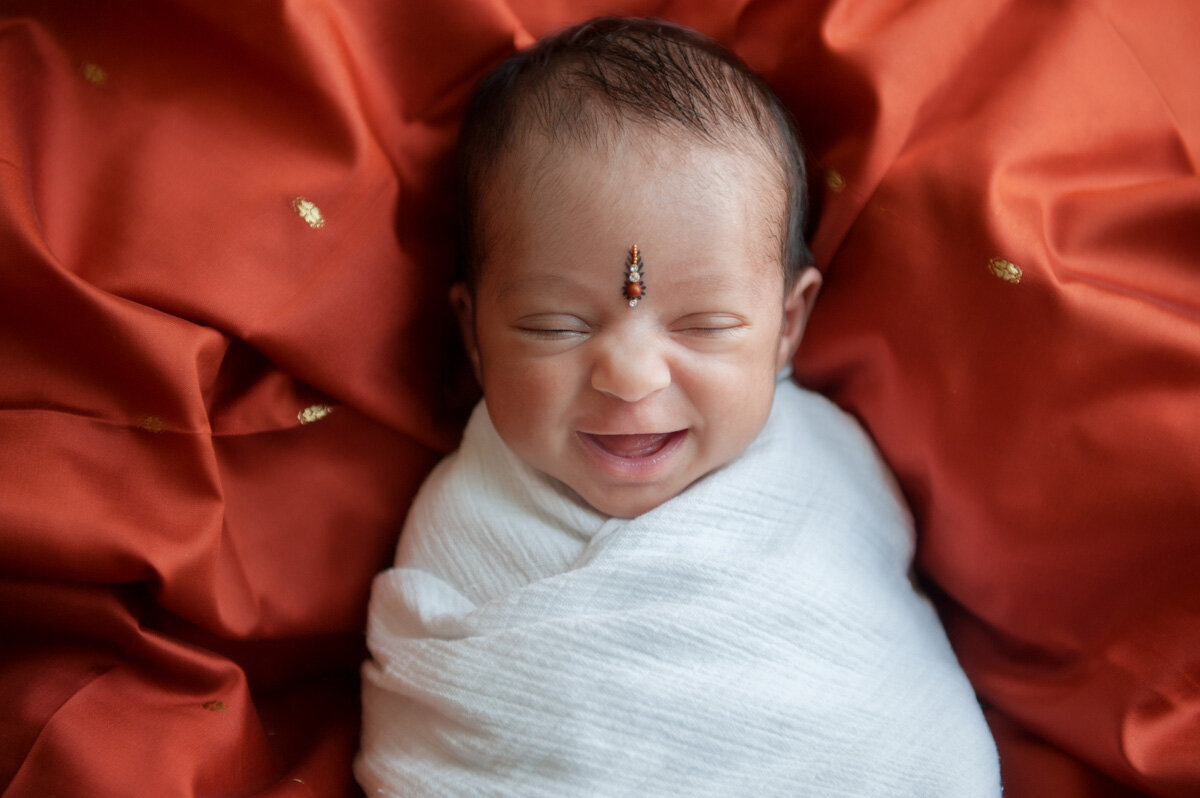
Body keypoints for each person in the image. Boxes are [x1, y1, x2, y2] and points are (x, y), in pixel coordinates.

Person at [356, 16, 1001, 796]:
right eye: (556, 325)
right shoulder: (468, 518)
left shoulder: (826, 468)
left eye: (703, 325)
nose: (629, 378)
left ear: (786, 326)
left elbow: (885, 701)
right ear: (474, 331)